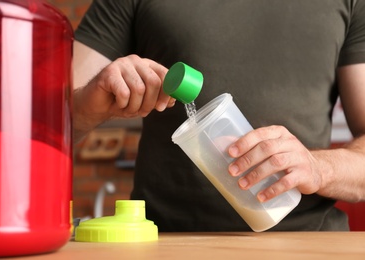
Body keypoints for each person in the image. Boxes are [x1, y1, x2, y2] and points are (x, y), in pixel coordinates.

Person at [72, 0, 365, 231]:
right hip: (167, 246)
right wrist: (86, 106)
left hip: (309, 245)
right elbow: (40, 126)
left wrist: (319, 168)